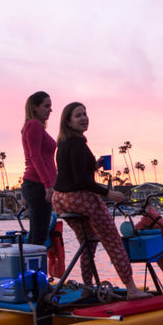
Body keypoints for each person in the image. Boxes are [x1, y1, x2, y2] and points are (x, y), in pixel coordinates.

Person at [51, 102, 150, 300]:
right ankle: (131, 288)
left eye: (85, 114)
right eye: (78, 115)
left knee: (88, 242)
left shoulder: (64, 143)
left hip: (61, 199)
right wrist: (108, 193)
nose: (84, 118)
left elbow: (73, 173)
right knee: (112, 240)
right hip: (79, 198)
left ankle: (88, 286)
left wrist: (93, 166)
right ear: (68, 122)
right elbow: (81, 181)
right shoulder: (77, 144)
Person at [21, 91, 57, 245]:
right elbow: (35, 157)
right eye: (46, 106)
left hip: (39, 185)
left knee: (38, 235)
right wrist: (47, 185)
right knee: (39, 235)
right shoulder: (33, 125)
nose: (50, 110)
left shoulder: (37, 127)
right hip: (37, 185)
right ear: (34, 107)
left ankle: (31, 261)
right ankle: (32, 262)